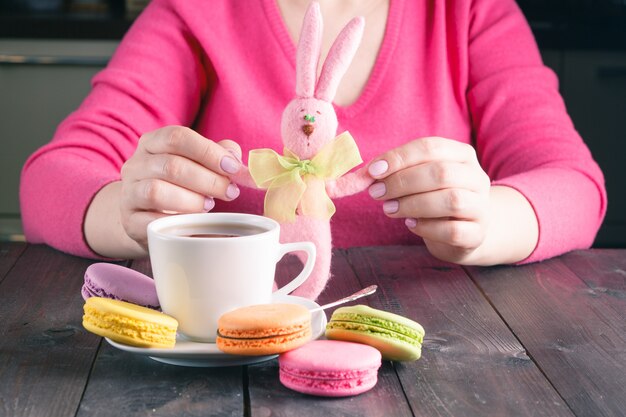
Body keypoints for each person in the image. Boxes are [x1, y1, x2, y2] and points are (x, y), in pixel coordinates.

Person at [20, 0, 606, 268]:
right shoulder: (195, 12)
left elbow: (574, 184)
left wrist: (489, 221)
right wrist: (127, 209)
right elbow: (51, 176)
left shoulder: (471, 12)